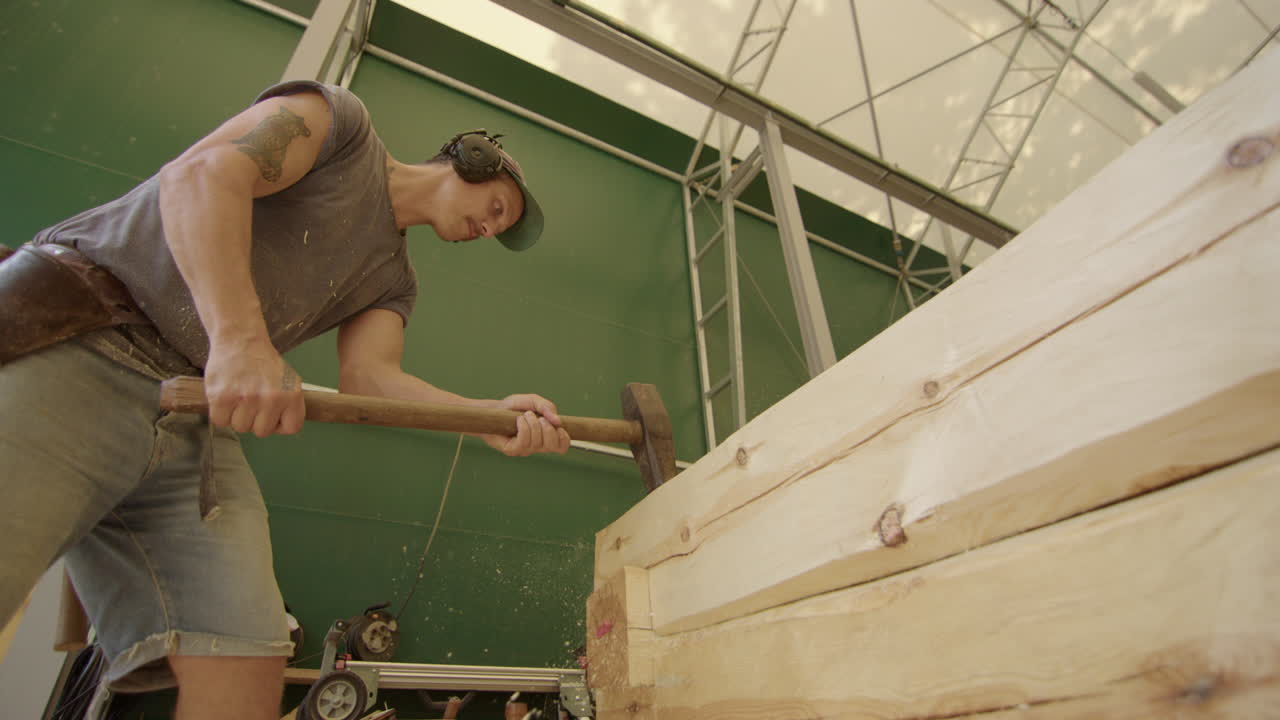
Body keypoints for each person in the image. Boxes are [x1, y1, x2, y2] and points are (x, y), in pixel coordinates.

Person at [0, 79, 571, 720]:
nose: (489, 228)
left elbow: (369, 380)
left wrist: (484, 416)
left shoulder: (393, 281)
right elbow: (203, 175)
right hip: (79, 333)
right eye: (497, 207)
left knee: (248, 656)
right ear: (472, 160)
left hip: (191, 411)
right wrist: (241, 341)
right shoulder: (341, 129)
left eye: (499, 229)